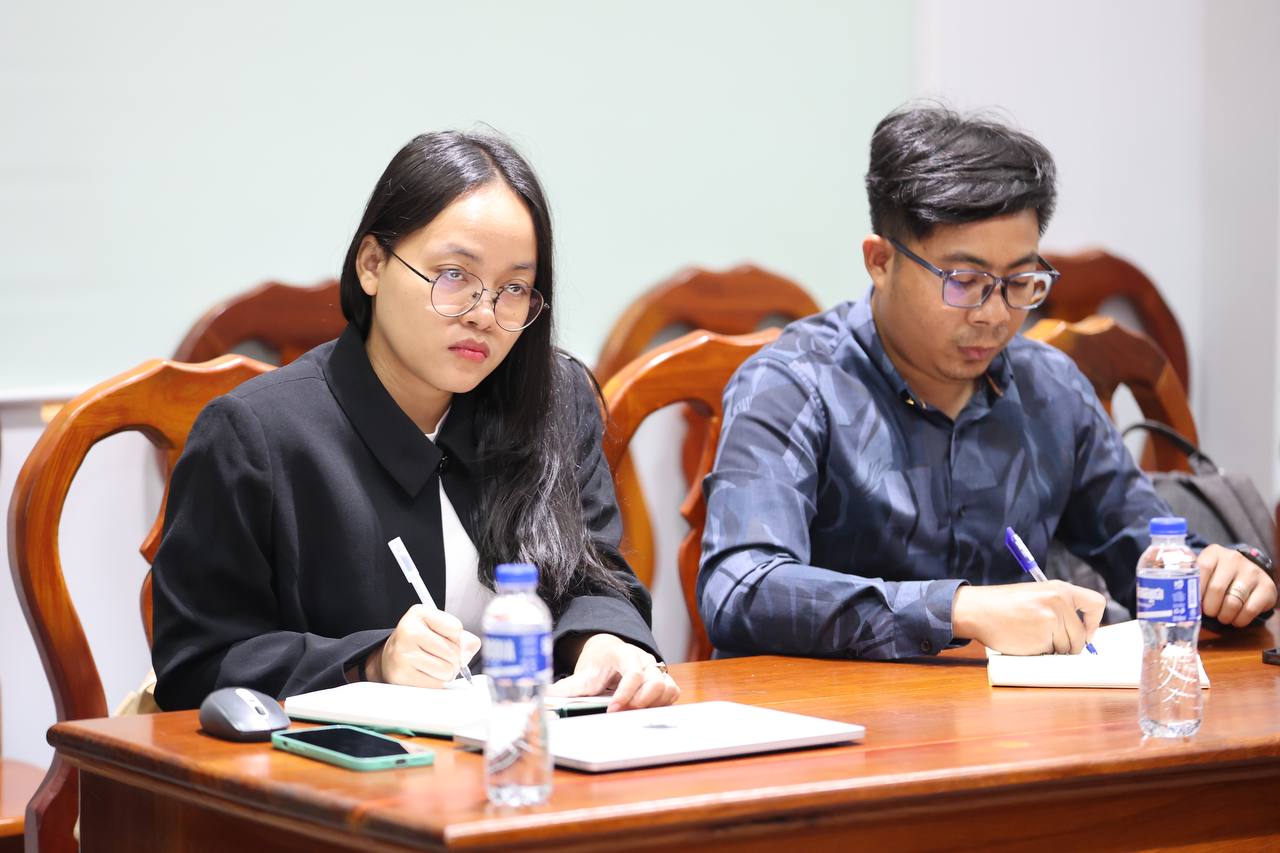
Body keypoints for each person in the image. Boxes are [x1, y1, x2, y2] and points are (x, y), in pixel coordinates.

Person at [699, 105, 1277, 660]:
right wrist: (957, 610)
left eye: (1020, 281)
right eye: (964, 280)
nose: (995, 315)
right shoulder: (793, 383)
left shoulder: (1050, 388)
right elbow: (741, 587)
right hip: (829, 717)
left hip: (1012, 718)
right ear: (880, 261)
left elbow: (1142, 550)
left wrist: (1224, 579)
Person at [152, 131, 679, 712]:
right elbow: (197, 666)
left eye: (513, 288)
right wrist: (370, 662)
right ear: (373, 265)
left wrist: (602, 640)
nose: (484, 315)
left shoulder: (554, 400)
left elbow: (595, 573)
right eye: (454, 275)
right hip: (344, 762)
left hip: (533, 749)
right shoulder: (256, 434)